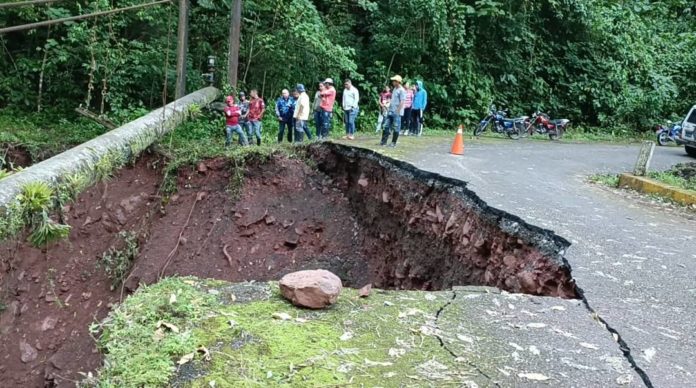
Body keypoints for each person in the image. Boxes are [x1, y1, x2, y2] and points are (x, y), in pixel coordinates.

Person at [380, 75, 406, 147]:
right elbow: (393, 99)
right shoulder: (394, 89)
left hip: (397, 112)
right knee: (386, 126)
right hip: (390, 111)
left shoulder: (402, 90)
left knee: (396, 127)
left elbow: (402, 101)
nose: (393, 82)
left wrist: (397, 111)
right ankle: (383, 142)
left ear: (398, 82)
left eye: (394, 81)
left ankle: (393, 143)